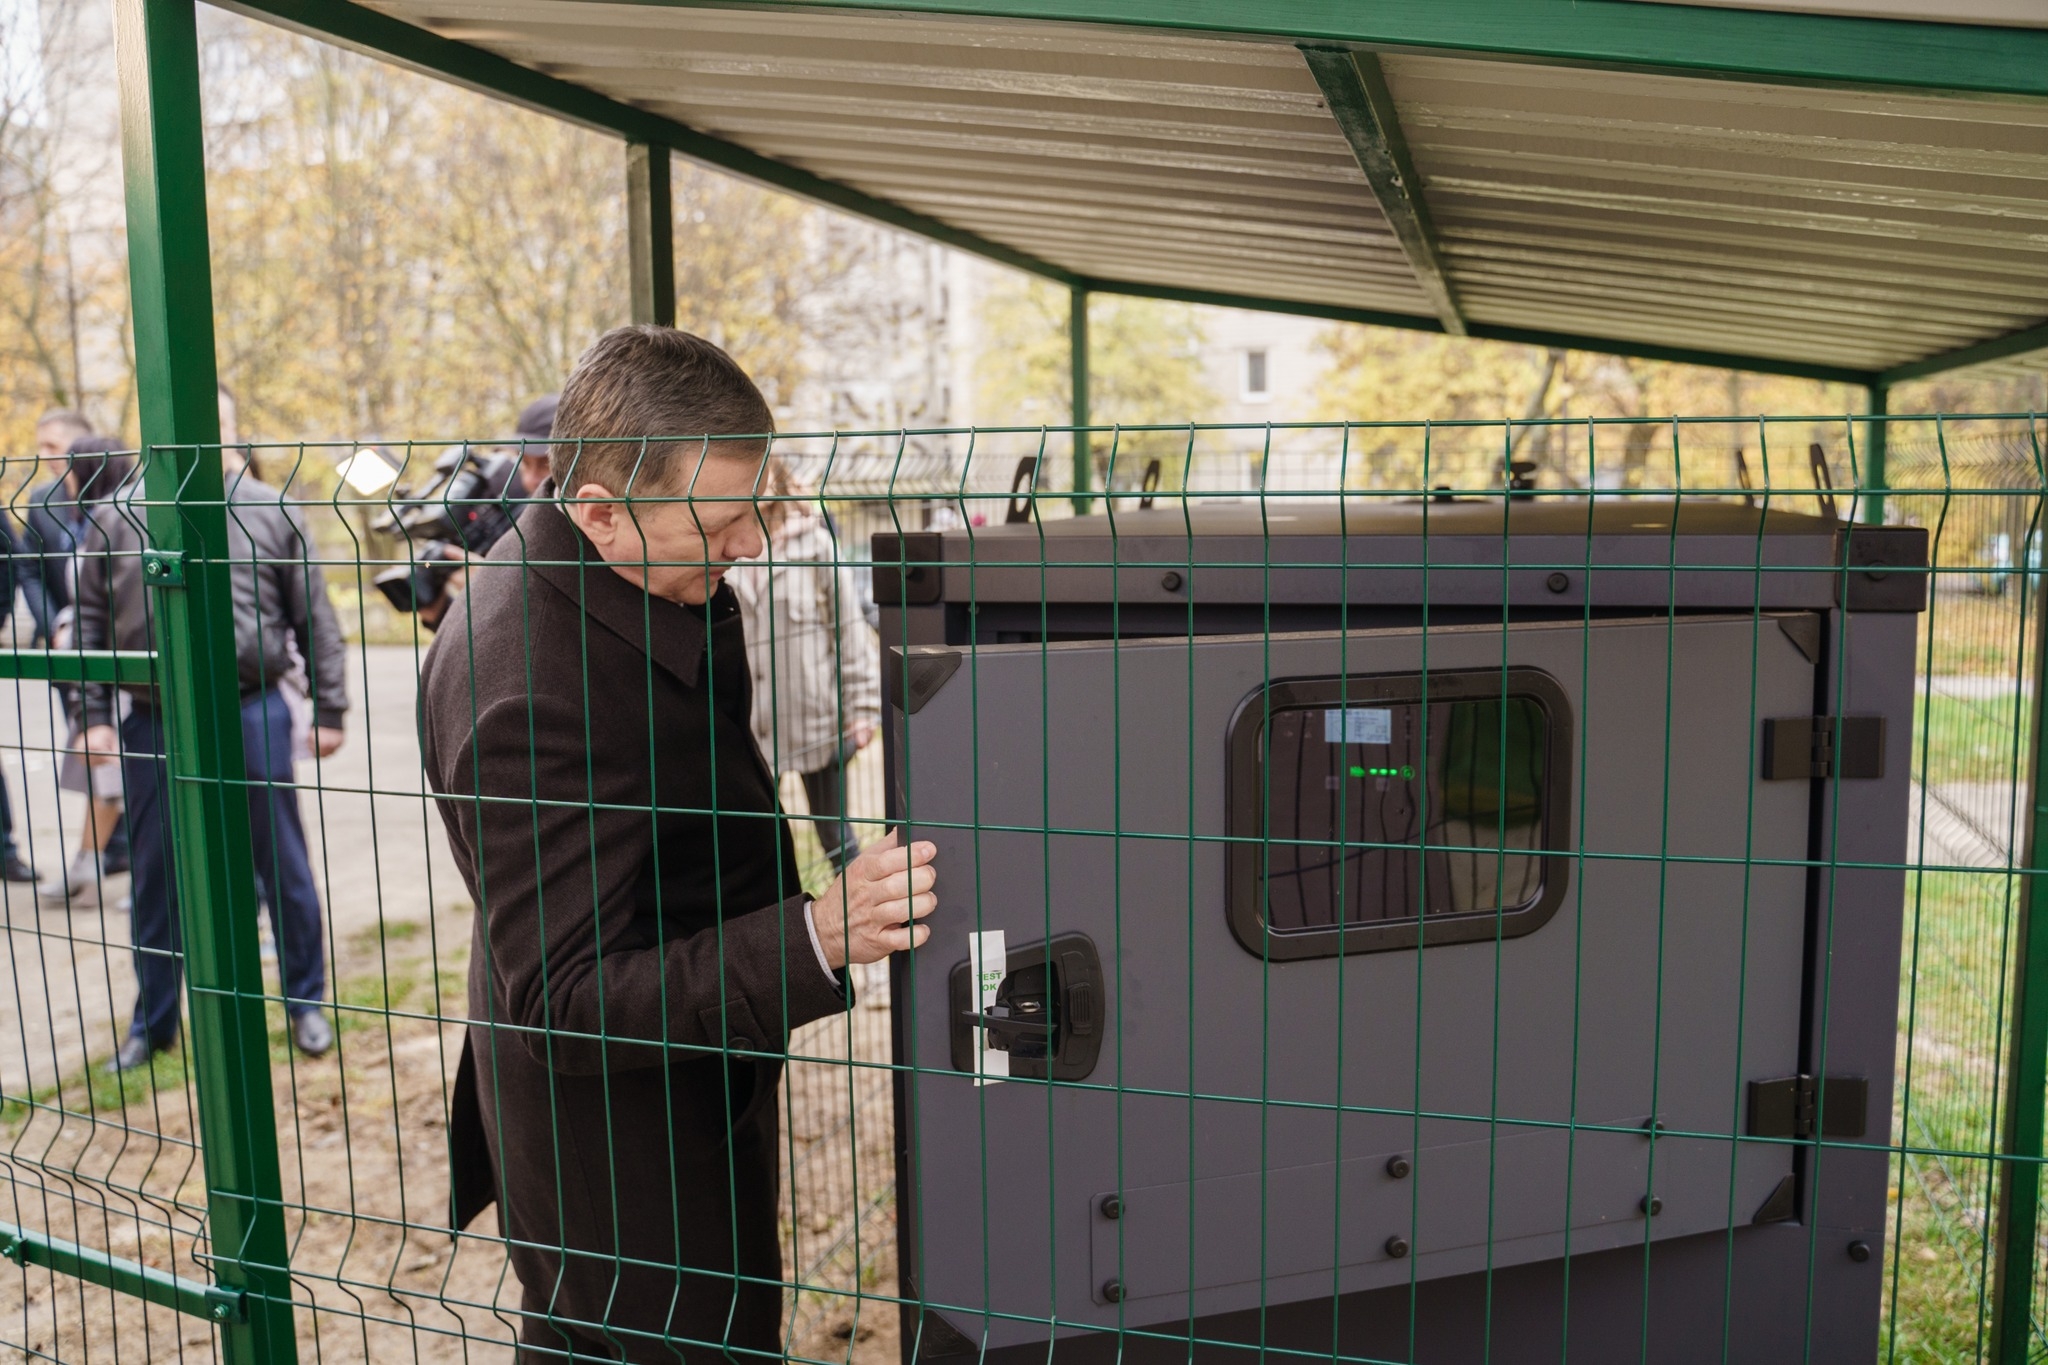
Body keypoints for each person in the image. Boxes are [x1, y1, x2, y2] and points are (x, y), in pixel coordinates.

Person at [420, 325, 936, 1363]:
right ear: (599, 510)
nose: (748, 543)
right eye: (718, 523)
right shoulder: (526, 684)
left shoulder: (638, 576)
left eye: (754, 509)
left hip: (683, 1075)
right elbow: (561, 999)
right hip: (615, 1147)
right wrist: (814, 936)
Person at [77, 395, 351, 1071]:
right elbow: (87, 619)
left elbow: (314, 614)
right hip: (154, 717)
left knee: (282, 862)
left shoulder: (271, 507)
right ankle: (155, 1023)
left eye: (212, 419)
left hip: (252, 708)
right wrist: (92, 715)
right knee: (153, 873)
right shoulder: (118, 514)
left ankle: (305, 1004)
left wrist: (331, 706)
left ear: (231, 429)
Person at [728, 457, 881, 871]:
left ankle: (863, 917)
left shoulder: (814, 546)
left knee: (836, 837)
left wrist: (864, 709)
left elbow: (848, 628)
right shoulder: (728, 548)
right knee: (757, 838)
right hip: (753, 726)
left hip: (816, 721)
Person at [40, 436, 137, 910]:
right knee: (101, 773)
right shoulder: (84, 521)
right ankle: (88, 861)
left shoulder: (119, 521)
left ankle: (130, 870)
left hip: (123, 672)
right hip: (94, 668)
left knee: (126, 776)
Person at [19, 408, 96, 646]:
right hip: (63, 640)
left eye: (52, 446)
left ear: (80, 444)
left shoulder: (115, 495)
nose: (43, 456)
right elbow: (30, 571)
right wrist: (53, 627)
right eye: (40, 447)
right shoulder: (41, 500)